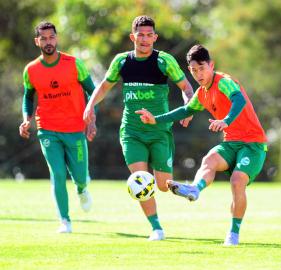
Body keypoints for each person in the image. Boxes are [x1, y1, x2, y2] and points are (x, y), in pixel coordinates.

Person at [136, 44, 268, 246]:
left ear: (211, 65)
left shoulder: (224, 82)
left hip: (253, 144)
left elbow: (239, 100)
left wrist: (226, 120)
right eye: (194, 70)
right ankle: (195, 190)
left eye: (202, 68)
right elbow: (185, 110)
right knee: (209, 161)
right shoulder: (201, 93)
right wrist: (155, 119)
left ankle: (233, 233)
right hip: (231, 142)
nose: (199, 74)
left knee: (236, 181)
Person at [83, 15, 194, 241]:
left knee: (162, 185)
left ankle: (181, 188)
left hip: (160, 132)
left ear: (155, 37)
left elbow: (186, 87)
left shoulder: (165, 61)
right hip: (132, 133)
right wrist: (90, 106)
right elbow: (104, 86)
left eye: (148, 35)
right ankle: (156, 228)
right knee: (140, 180)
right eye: (140, 35)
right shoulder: (122, 61)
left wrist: (188, 105)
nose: (144, 39)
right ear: (133, 37)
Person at [19, 21, 96, 233]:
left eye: (51, 37)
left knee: (80, 176)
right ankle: (65, 220)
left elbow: (93, 92)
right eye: (43, 38)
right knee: (58, 173)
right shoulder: (31, 70)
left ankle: (81, 187)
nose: (48, 42)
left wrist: (92, 120)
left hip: (74, 128)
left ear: (57, 38)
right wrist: (27, 119)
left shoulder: (74, 63)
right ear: (37, 41)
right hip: (47, 128)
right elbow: (28, 97)